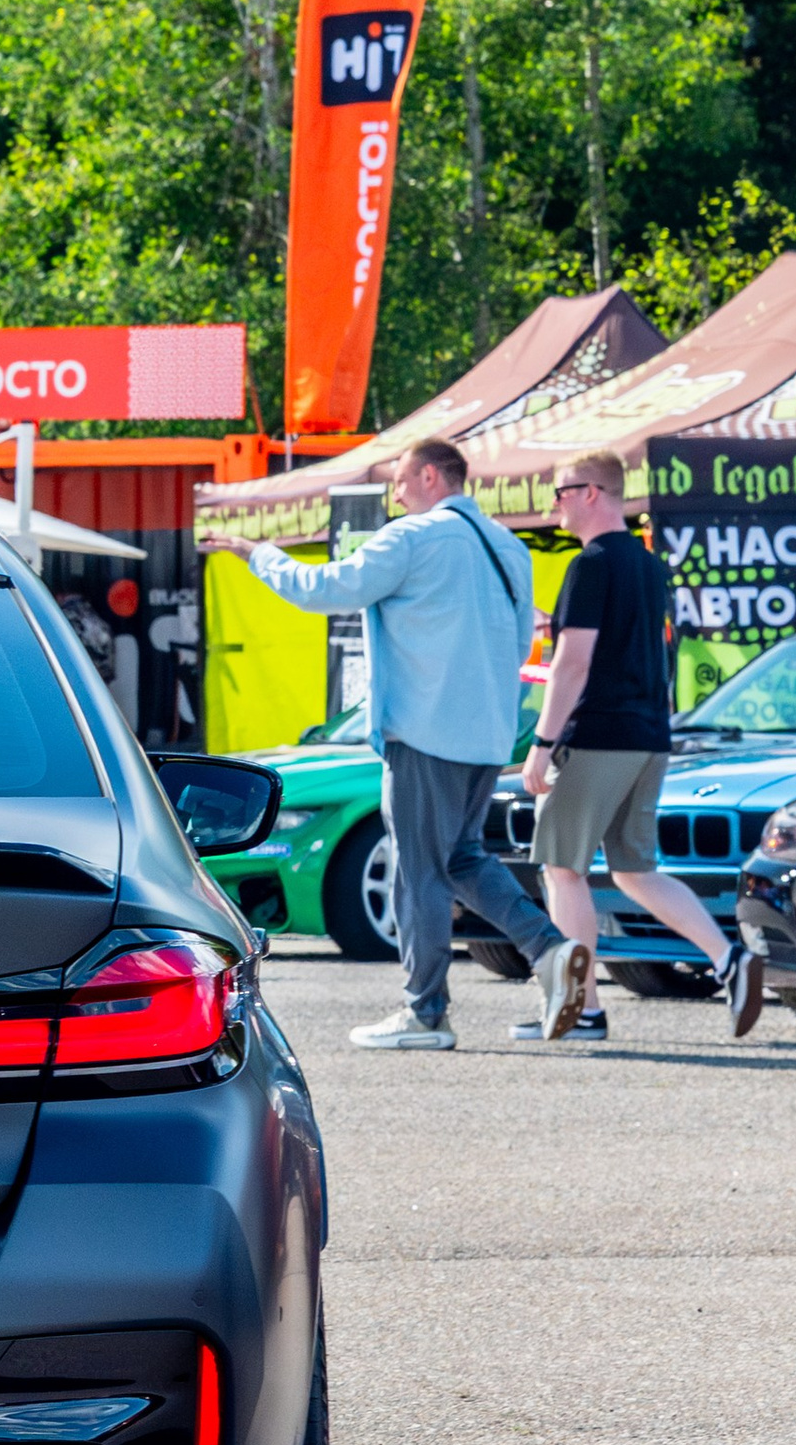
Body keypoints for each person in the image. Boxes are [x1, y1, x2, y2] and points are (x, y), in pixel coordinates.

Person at [203, 437, 585, 1049]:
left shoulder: (414, 537)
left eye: (402, 481)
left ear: (432, 477)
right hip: (487, 734)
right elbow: (520, 646)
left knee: (417, 867)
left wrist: (261, 554)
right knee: (461, 859)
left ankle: (425, 1012)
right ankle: (550, 949)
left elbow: (324, 589)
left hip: (425, 731)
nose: (397, 494)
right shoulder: (510, 548)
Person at [527, 452, 760, 1035]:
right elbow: (619, 646)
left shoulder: (591, 565)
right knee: (635, 870)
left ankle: (582, 1008)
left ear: (593, 493)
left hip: (598, 734)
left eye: (561, 492)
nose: (553, 503)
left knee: (562, 868)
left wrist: (541, 742)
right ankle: (731, 959)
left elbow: (572, 664)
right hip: (649, 735)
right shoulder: (647, 566)